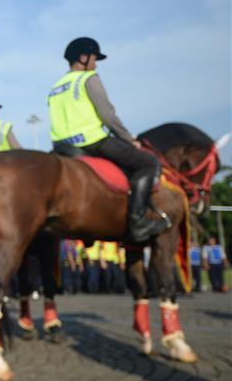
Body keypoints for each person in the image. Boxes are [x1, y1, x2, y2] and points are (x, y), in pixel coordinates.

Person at [48, 37, 169, 243]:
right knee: (148, 163)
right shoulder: (88, 78)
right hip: (92, 141)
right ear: (84, 58)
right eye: (95, 58)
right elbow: (108, 116)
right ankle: (138, 221)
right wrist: (128, 140)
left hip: (61, 147)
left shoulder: (56, 87)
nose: (96, 64)